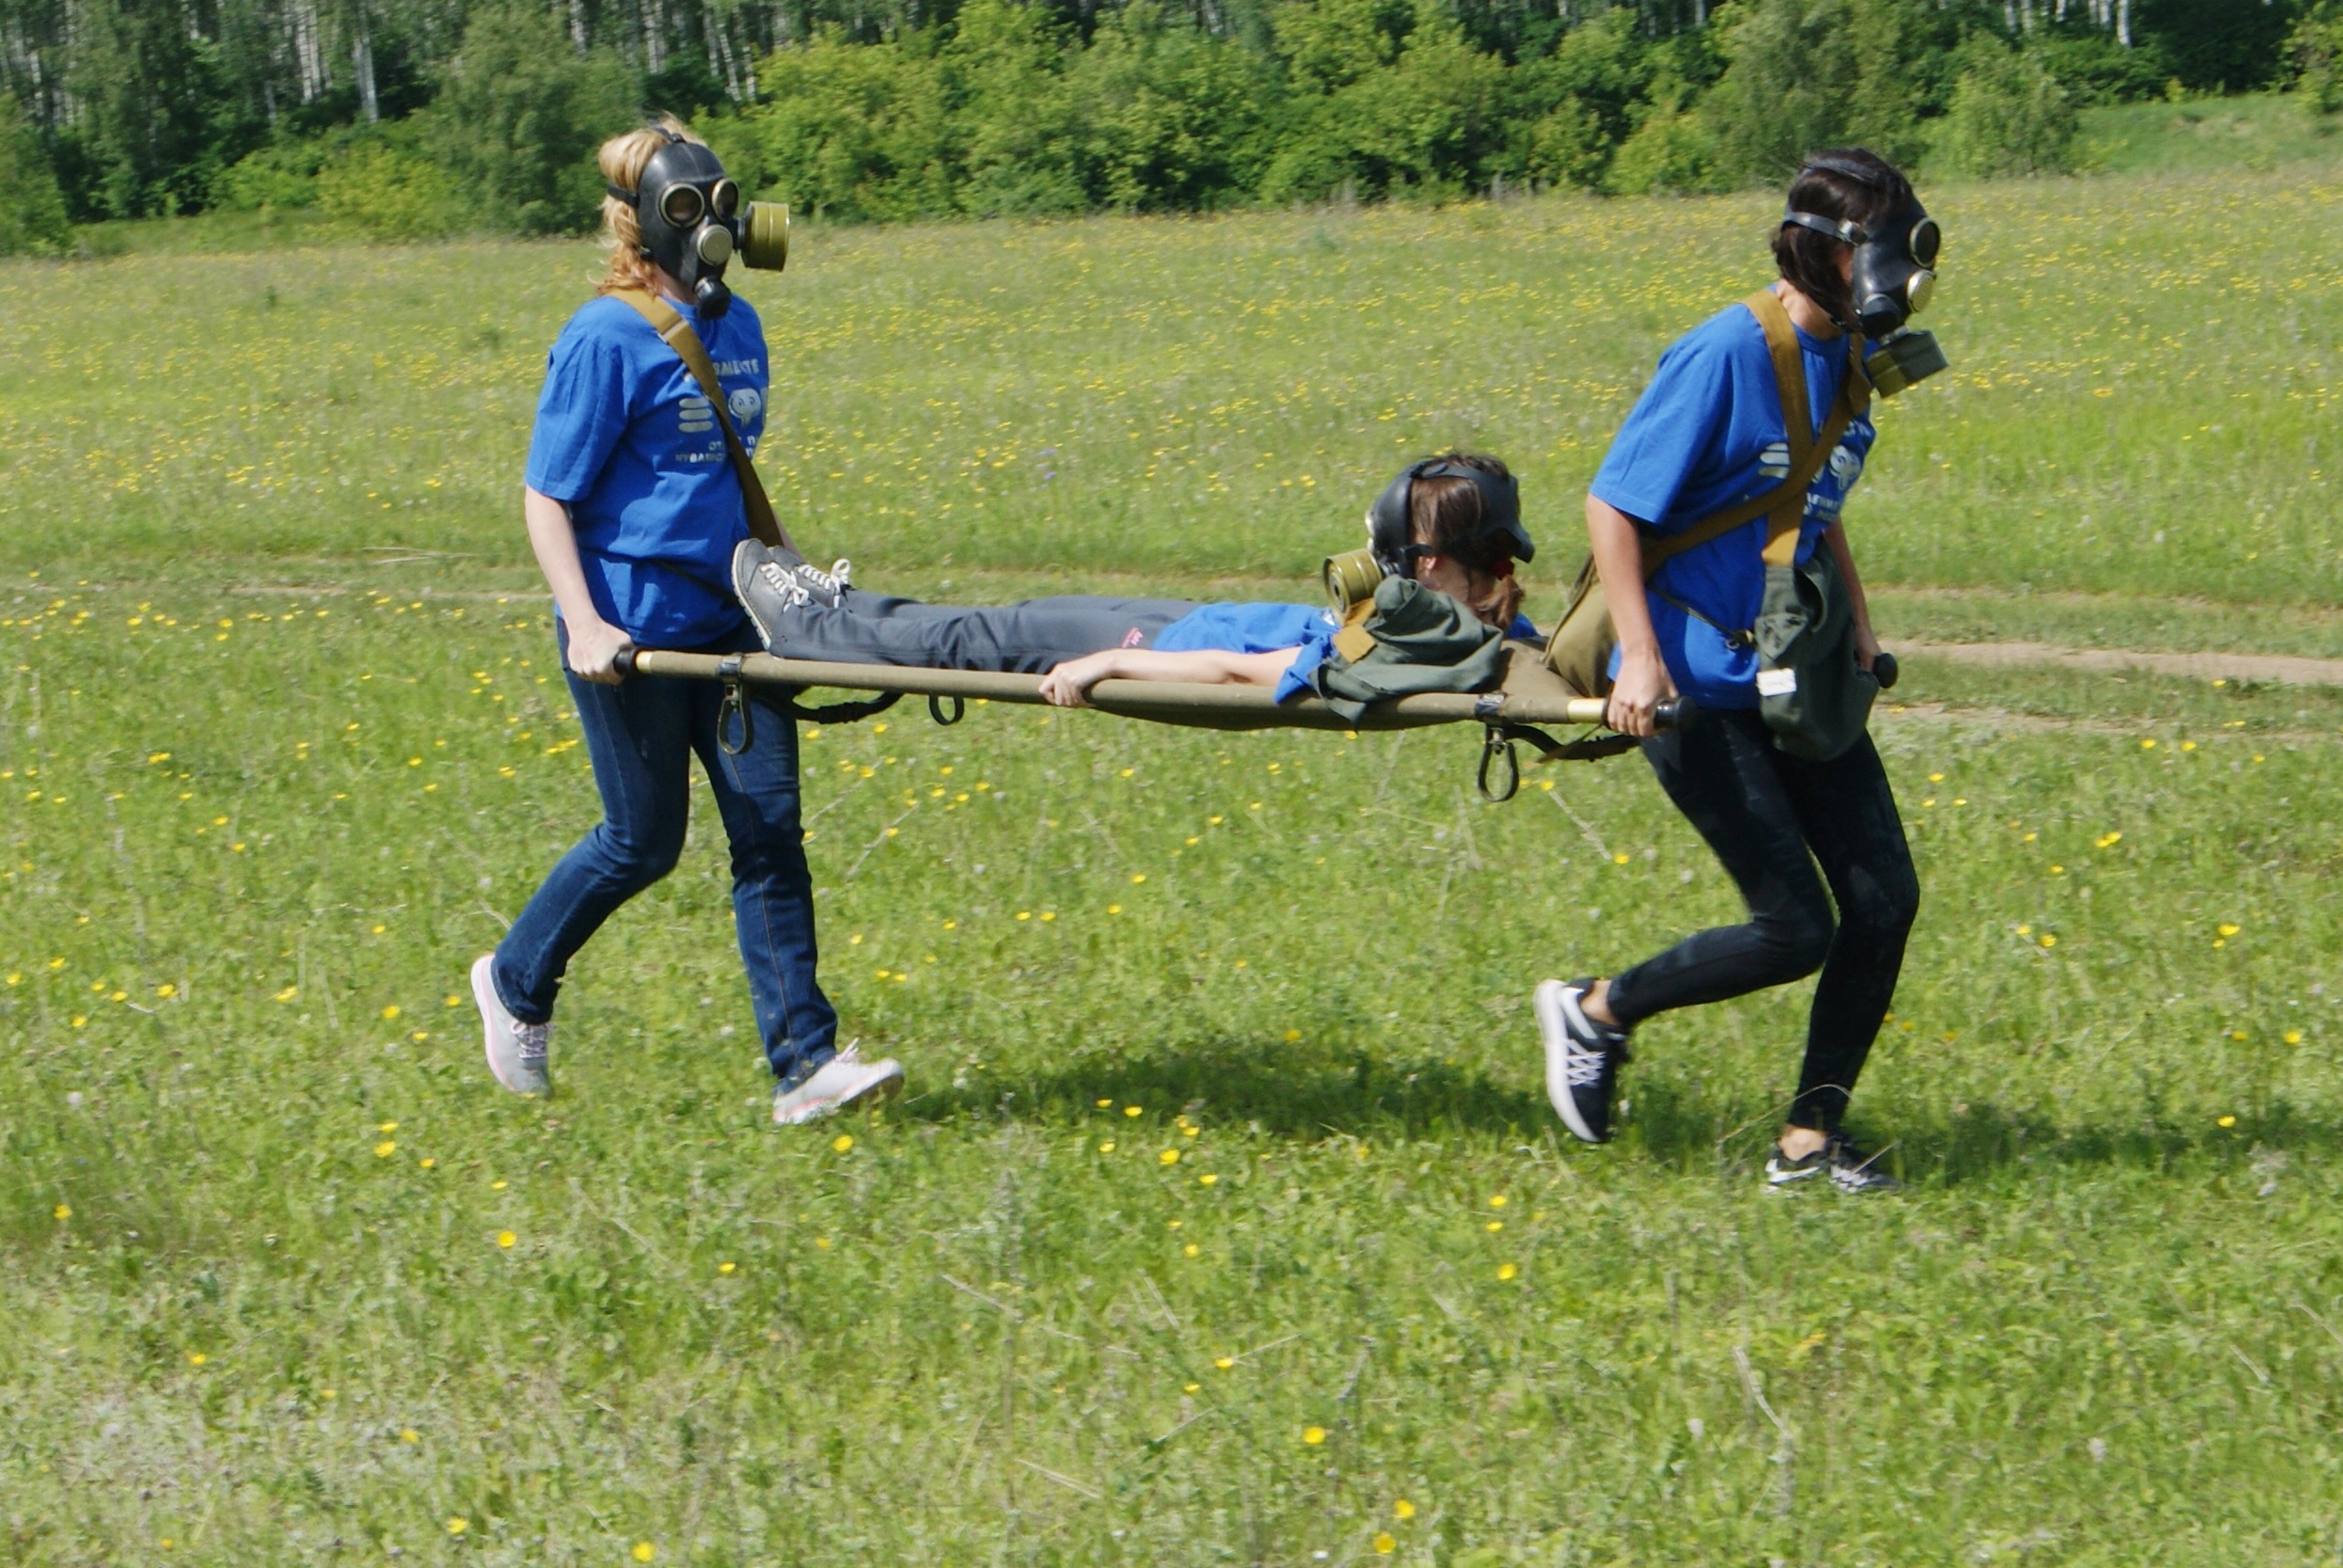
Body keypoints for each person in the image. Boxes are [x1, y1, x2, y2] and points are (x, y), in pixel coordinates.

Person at [468, 119, 899, 1126]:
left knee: (768, 833)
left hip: (733, 619)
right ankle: (515, 982)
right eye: (690, 208)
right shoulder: (604, 335)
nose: (717, 223)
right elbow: (545, 496)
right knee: (641, 843)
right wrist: (582, 623)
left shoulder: (739, 324)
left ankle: (805, 1066)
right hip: (631, 632)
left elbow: (730, 478)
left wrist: (794, 583)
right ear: (646, 225)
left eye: (723, 202)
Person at [1531, 149, 1933, 1192]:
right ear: (1834, 256)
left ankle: (1809, 1140)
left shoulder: (1847, 358)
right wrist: (1643, 661)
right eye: (1890, 249)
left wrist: (1856, 623)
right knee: (1793, 927)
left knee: (1884, 899)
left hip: (1792, 664)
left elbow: (1814, 495)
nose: (1909, 272)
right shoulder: (1723, 353)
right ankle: (1593, 1011)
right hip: (1692, 685)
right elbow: (1612, 506)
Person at [729, 453, 1545, 706]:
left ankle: (811, 629)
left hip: (1166, 644)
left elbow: (1243, 676)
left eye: (1391, 551)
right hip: (1198, 618)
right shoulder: (1477, 621)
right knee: (993, 619)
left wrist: (1109, 665)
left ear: (1432, 564)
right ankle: (836, 605)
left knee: (984, 636)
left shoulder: (1400, 645)